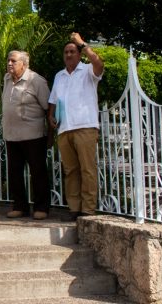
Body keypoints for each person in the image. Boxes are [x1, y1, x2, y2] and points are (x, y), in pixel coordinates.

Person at [48, 33, 104, 221]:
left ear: (79, 54)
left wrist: (82, 43)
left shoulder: (88, 70)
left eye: (72, 51)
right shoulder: (59, 76)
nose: (69, 54)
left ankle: (88, 209)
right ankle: (74, 208)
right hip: (65, 129)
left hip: (85, 126)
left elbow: (99, 63)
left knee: (87, 169)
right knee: (70, 170)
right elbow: (54, 100)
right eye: (66, 52)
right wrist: (50, 115)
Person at [2, 51, 52, 220]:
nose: (9, 63)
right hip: (11, 135)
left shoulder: (36, 81)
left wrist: (51, 135)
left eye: (13, 61)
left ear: (23, 64)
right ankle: (20, 206)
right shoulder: (7, 79)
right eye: (8, 60)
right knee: (14, 172)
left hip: (33, 134)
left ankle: (41, 207)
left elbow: (48, 108)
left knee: (37, 172)